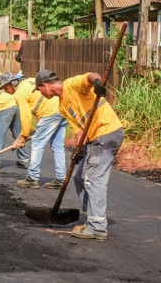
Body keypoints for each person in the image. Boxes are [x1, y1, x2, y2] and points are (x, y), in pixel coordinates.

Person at [34, 69, 124, 241]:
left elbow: (91, 76)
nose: (40, 93)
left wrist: (97, 83)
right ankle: (92, 218)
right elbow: (79, 129)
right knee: (79, 176)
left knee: (93, 177)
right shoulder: (61, 106)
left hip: (106, 133)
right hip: (93, 140)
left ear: (44, 85)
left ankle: (97, 227)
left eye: (39, 90)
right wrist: (79, 150)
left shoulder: (72, 85)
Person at [0, 74, 68, 189]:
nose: (6, 91)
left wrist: (23, 136)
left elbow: (26, 116)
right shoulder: (29, 81)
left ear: (11, 84)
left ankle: (32, 178)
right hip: (61, 108)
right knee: (57, 145)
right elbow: (39, 101)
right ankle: (61, 179)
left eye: (5, 88)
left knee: (37, 144)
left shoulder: (19, 93)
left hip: (50, 113)